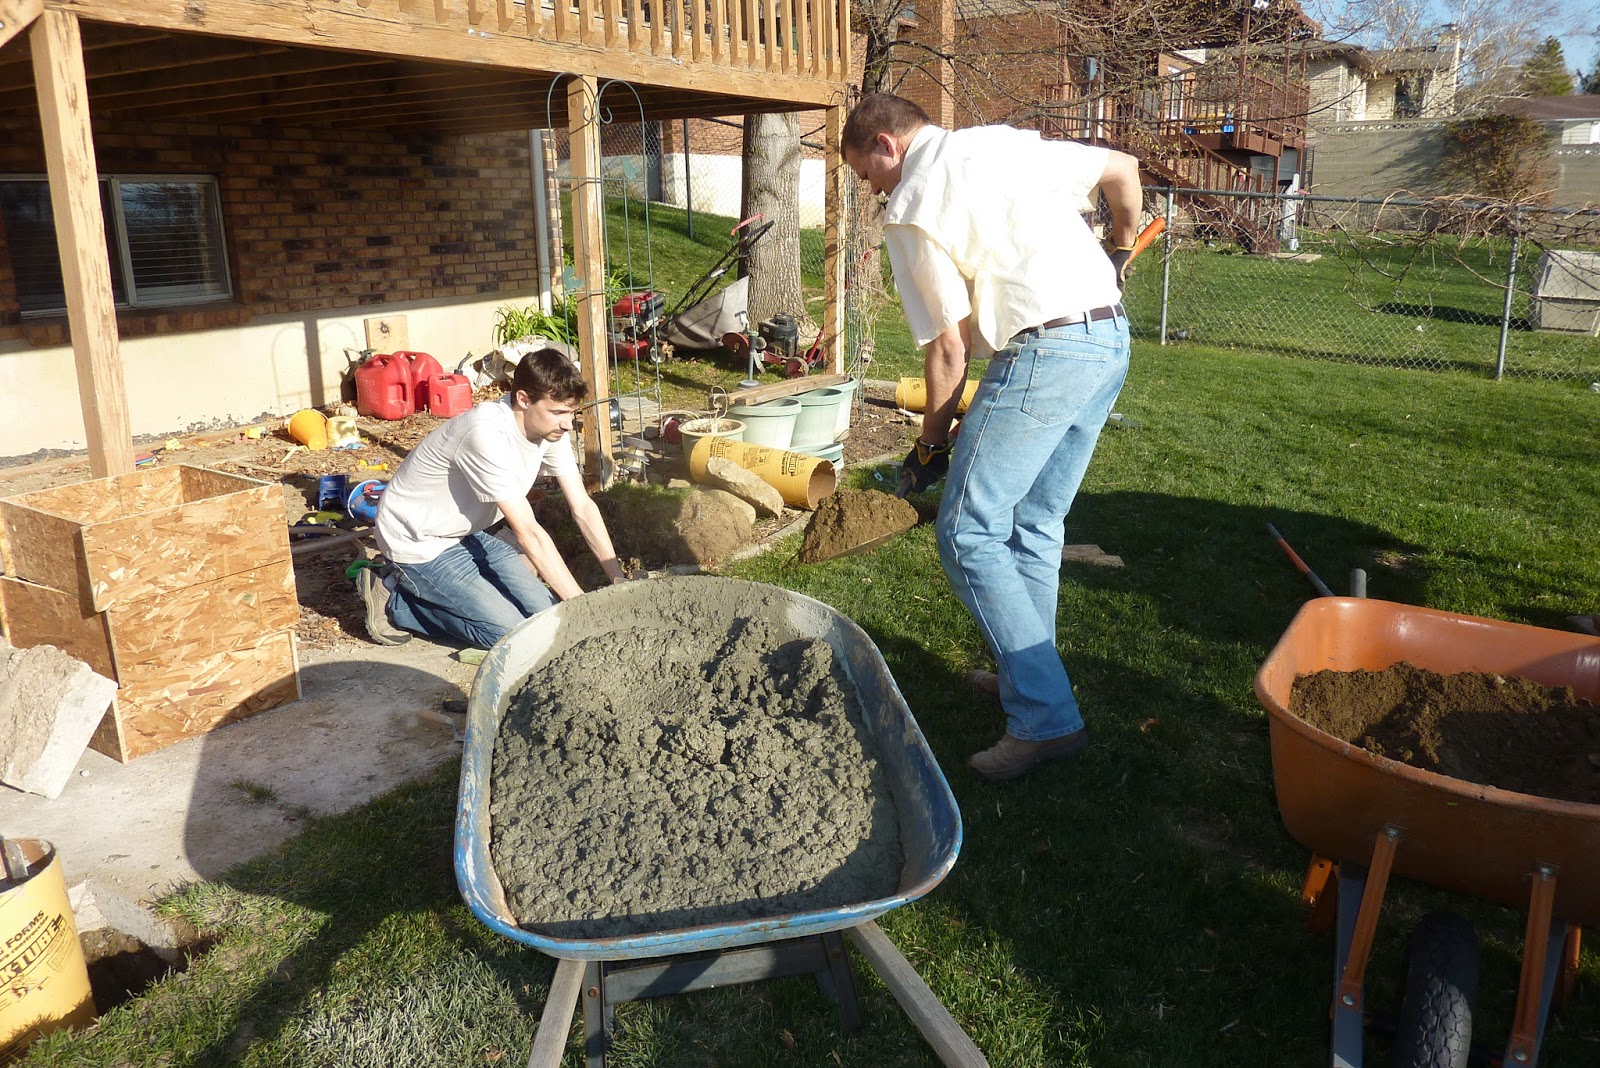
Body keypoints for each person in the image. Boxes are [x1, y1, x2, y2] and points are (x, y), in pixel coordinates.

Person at [842, 92, 1144, 782]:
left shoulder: (913, 201)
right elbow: (1123, 171)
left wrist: (930, 444)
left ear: (887, 144)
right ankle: (1028, 679)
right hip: (1108, 340)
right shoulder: (1000, 142)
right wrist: (1120, 249)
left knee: (967, 532)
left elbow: (948, 348)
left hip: (1047, 352)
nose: (873, 189)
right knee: (1034, 523)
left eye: (867, 174)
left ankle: (1045, 718)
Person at [359, 347, 627, 649]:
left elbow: (582, 506)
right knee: (515, 636)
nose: (568, 423)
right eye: (558, 412)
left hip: (464, 535)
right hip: (417, 542)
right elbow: (529, 534)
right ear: (523, 399)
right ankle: (395, 597)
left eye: (572, 412)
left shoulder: (549, 429)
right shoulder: (485, 433)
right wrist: (583, 608)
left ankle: (451, 594)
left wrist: (616, 577)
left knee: (547, 615)